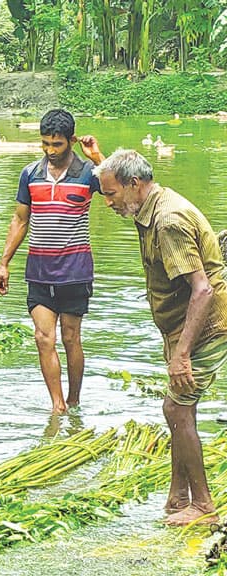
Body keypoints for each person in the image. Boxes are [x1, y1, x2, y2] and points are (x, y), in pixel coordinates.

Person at [95, 149, 227, 526]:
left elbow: (202, 290)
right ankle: (178, 497)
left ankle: (203, 507)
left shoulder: (167, 220)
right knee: (182, 407)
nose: (108, 203)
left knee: (175, 409)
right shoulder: (149, 206)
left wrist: (182, 353)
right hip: (182, 325)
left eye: (111, 194)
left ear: (134, 184)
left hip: (206, 326)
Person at [0, 109, 104, 414]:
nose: (50, 150)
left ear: (70, 140)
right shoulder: (30, 174)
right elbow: (19, 221)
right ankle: (58, 407)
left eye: (56, 144)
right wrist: (4, 263)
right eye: (45, 144)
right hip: (39, 271)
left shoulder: (87, 174)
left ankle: (74, 400)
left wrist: (97, 157)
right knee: (44, 338)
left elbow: (117, 188)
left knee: (71, 337)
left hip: (75, 270)